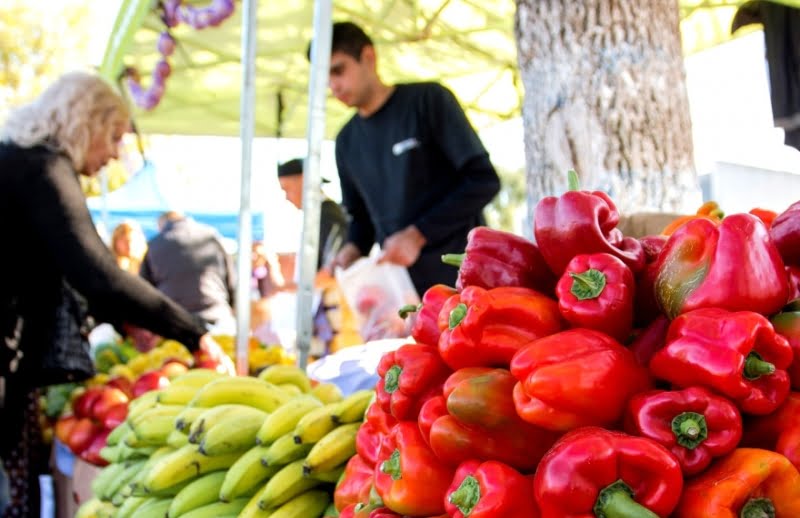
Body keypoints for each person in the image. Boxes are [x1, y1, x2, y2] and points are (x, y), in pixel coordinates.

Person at [0, 71, 231, 517]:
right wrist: (193, 333)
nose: (112, 157)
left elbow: (67, 270)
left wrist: (126, 319)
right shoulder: (42, 167)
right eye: (113, 138)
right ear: (86, 123)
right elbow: (97, 273)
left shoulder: (18, 160)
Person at [318, 22, 501, 295]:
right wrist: (351, 250)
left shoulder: (428, 101)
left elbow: (483, 180)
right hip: (404, 298)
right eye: (325, 77)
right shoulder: (345, 141)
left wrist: (418, 234)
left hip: (468, 282)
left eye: (338, 70)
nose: (333, 85)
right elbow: (361, 220)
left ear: (368, 57)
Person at [140, 211, 236, 331]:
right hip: (217, 314)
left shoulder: (154, 244)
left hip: (175, 319)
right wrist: (232, 304)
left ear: (162, 224)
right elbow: (231, 277)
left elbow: (145, 287)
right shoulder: (211, 236)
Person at [277, 157, 348, 270]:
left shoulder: (328, 215)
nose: (287, 197)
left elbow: (333, 272)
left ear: (304, 181)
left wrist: (289, 288)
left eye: (287, 189)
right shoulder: (318, 215)